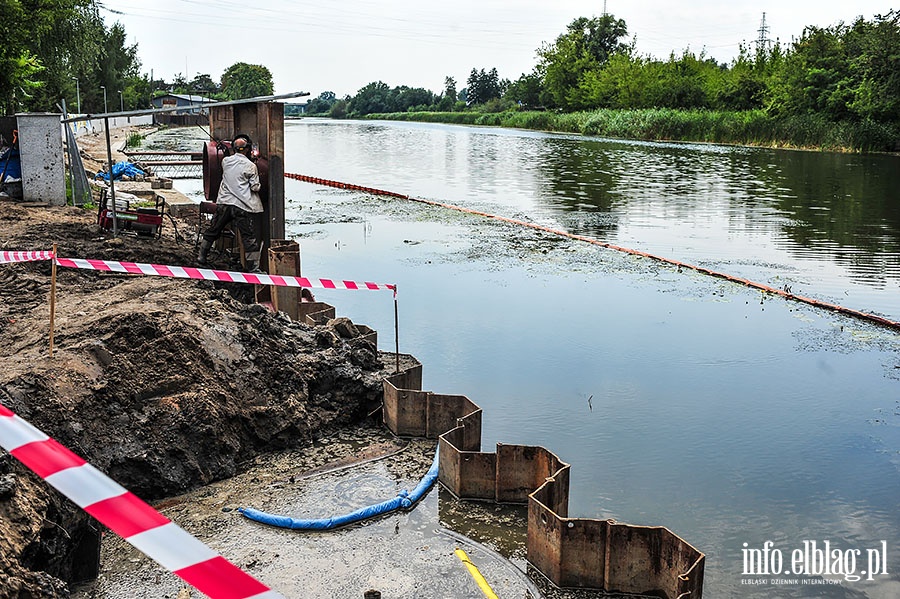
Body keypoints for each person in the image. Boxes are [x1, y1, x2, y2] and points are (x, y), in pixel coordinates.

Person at [197, 134, 263, 272]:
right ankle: (254, 269)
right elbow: (255, 187)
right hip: (243, 206)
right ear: (247, 149)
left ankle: (201, 257)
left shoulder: (225, 162)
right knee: (249, 238)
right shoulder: (251, 166)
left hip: (225, 203)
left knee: (214, 230)